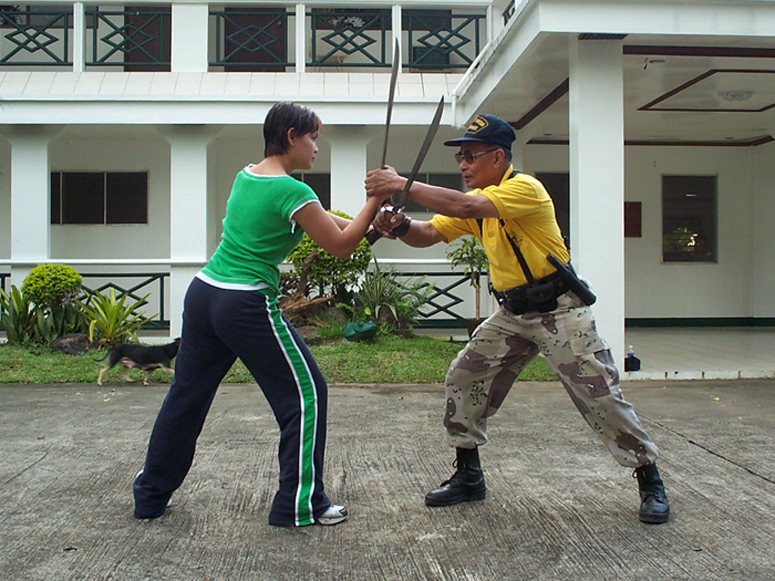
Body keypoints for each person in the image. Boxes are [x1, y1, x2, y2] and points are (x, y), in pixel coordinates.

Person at [364, 114, 670, 524]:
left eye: (470, 156)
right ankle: (468, 475)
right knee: (464, 375)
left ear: (498, 157)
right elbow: (429, 233)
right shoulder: (475, 202)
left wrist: (400, 185)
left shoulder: (523, 188)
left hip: (559, 312)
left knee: (600, 396)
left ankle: (649, 477)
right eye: (460, 157)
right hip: (512, 314)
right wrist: (400, 225)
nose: (463, 164)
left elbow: (465, 204)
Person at [134, 102, 391, 527]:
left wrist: (372, 220)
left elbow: (334, 225)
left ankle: (150, 496)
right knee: (307, 395)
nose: (316, 149)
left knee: (186, 398)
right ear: (291, 136)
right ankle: (300, 503)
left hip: (204, 294)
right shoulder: (294, 191)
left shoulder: (247, 175)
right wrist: (376, 199)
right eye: (312, 138)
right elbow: (341, 245)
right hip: (244, 303)